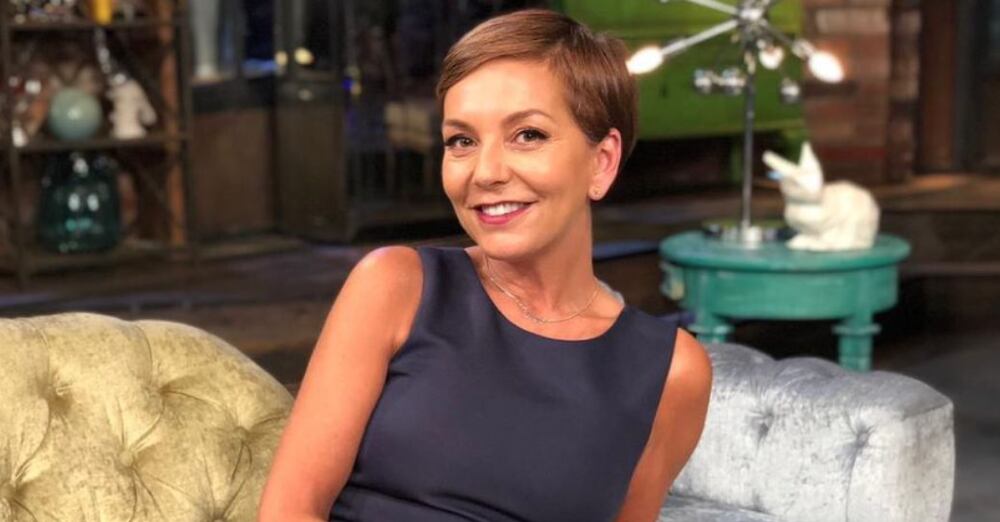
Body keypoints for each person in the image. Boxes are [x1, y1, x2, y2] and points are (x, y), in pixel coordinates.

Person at [258, 9, 712, 522]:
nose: (486, 172)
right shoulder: (396, 286)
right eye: (462, 141)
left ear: (602, 161)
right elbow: (289, 510)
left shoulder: (671, 371)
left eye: (528, 135)